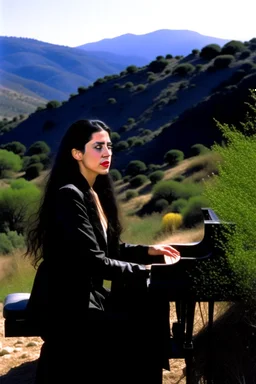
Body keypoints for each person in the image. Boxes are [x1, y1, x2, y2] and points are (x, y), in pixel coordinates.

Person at [24, 119, 181, 384]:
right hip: (66, 303)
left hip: (82, 295)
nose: (107, 152)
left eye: (109, 146)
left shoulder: (91, 191)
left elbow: (110, 249)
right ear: (77, 153)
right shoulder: (69, 195)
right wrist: (141, 271)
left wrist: (149, 252)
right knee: (143, 323)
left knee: (146, 311)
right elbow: (92, 261)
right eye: (98, 146)